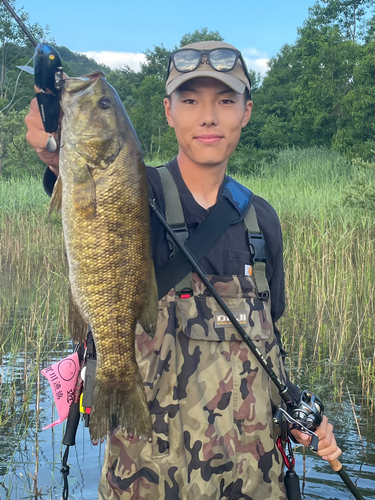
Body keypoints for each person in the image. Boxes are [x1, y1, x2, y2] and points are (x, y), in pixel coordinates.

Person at [25, 40, 341, 500]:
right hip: (149, 484)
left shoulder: (262, 221)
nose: (208, 116)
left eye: (225, 100)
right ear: (169, 112)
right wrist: (54, 146)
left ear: (246, 111)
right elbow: (85, 180)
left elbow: (267, 344)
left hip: (256, 483)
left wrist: (299, 414)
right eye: (190, 100)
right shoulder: (139, 188)